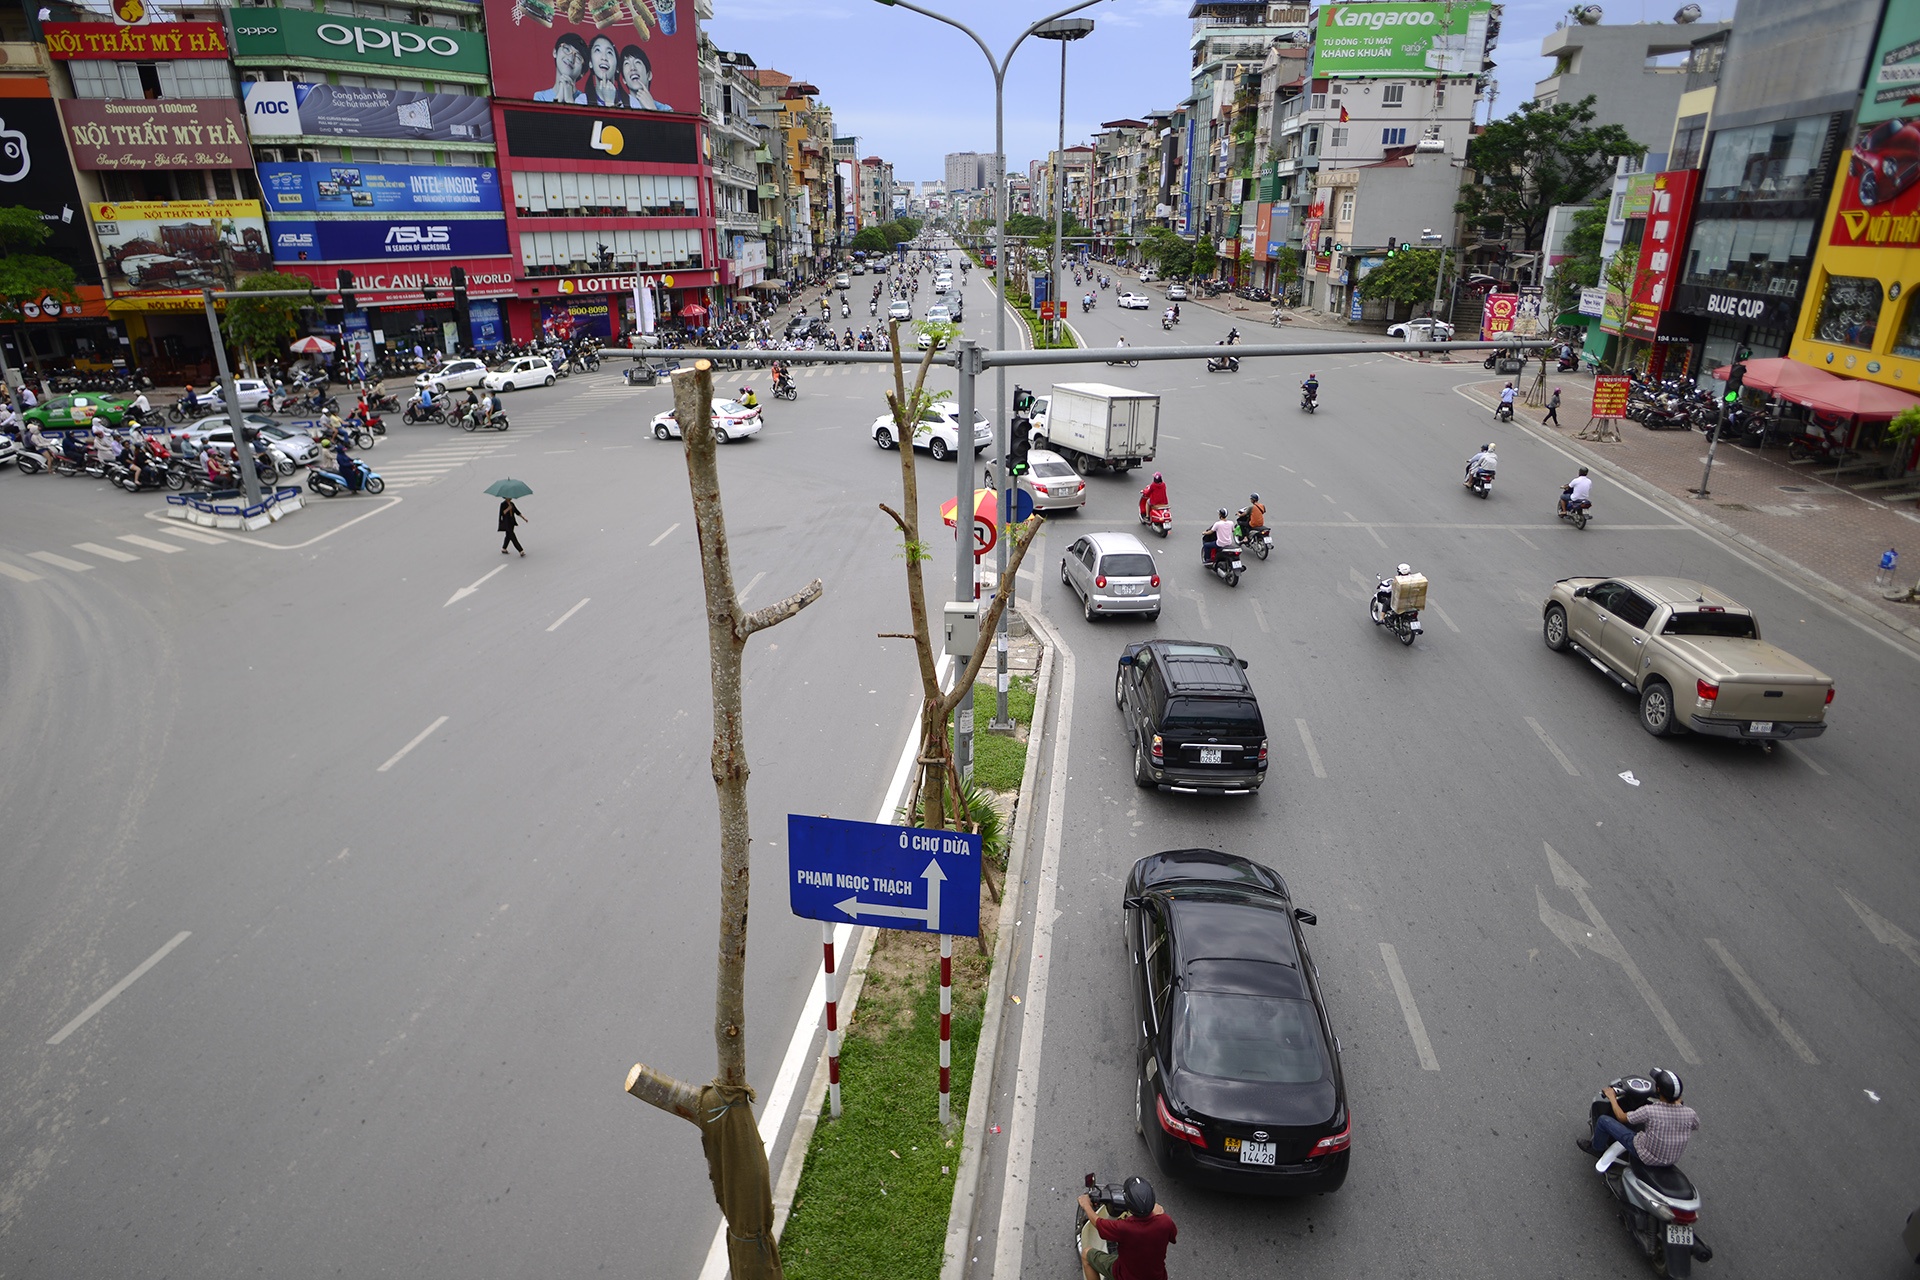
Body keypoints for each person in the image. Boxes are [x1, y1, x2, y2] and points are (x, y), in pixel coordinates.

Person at [1579, 1068, 1698, 1168]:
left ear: (1658, 1090)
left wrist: (1612, 1098)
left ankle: (1596, 1148)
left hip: (1647, 1155)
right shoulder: (1690, 1113)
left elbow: (1622, 1117)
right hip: (1671, 1159)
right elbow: (1695, 1125)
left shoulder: (1650, 1111)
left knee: (1603, 1121)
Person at [1077, 1176, 1176, 1280]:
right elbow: (1172, 1237)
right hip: (1157, 1277)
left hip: (1125, 1275)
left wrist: (1086, 1205)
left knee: (1086, 1254)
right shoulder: (1166, 1221)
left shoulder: (1124, 1228)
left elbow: (1099, 1223)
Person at [535, 33, 589, 103]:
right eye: (566, 49)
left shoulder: (585, 100)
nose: (571, 58)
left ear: (582, 73)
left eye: (578, 57)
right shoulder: (540, 97)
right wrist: (559, 98)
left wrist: (569, 100)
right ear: (555, 52)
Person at [620, 44, 673, 111]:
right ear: (624, 79)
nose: (632, 68)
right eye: (627, 63)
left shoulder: (665, 109)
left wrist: (652, 109)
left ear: (649, 75)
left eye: (637, 62)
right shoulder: (619, 108)